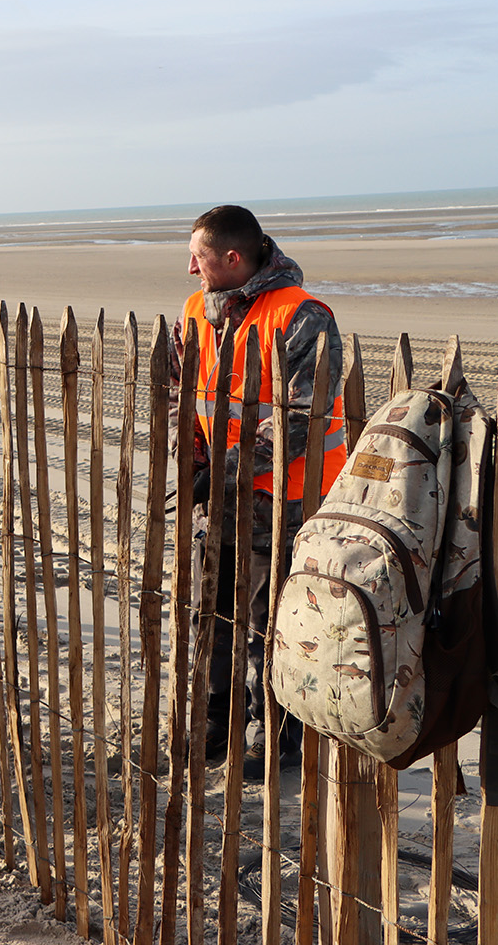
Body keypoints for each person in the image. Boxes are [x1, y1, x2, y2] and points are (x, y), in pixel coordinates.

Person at [170, 204, 346, 776]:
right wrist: (195, 459)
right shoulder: (196, 311)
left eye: (197, 258)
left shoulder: (303, 317)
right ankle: (217, 723)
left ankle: (272, 734)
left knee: (270, 624)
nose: (190, 269)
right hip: (218, 501)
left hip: (287, 503)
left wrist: (219, 471)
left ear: (231, 258)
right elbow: (182, 392)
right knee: (214, 613)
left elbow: (300, 419)